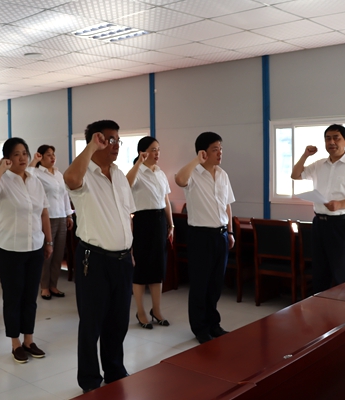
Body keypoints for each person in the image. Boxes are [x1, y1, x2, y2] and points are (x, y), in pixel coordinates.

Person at [63, 120, 135, 393]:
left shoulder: (119, 174)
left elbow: (126, 216)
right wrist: (92, 147)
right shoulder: (84, 174)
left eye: (118, 140)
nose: (115, 145)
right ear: (96, 141)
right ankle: (90, 380)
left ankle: (115, 370)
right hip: (94, 261)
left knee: (118, 321)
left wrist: (130, 251)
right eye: (109, 139)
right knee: (91, 324)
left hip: (122, 260)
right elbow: (70, 178)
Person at [0, 137, 52, 364]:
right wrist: (1, 169)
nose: (22, 158)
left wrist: (48, 241)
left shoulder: (35, 181)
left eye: (24, 153)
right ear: (8, 158)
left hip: (35, 246)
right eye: (16, 154)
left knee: (30, 297)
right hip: (10, 249)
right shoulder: (2, 180)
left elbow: (44, 212)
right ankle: (15, 343)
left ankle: (29, 340)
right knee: (13, 297)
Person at [290, 124, 345, 292]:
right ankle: (320, 307)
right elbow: (295, 175)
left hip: (342, 224)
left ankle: (343, 307)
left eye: (336, 138)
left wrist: (340, 204)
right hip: (319, 223)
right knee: (320, 272)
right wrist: (305, 155)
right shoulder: (319, 164)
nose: (331, 142)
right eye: (328, 139)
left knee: (342, 273)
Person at [175, 131, 235, 344]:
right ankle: (200, 328)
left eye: (221, 148)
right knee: (200, 284)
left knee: (215, 284)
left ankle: (213, 324)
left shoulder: (223, 175)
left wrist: (230, 232)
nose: (220, 153)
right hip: (200, 236)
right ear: (203, 152)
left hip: (220, 235)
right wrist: (196, 161)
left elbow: (227, 206)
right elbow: (179, 179)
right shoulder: (193, 173)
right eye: (215, 149)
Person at [125, 136, 173, 329]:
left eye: (158, 149)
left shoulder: (160, 173)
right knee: (141, 268)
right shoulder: (137, 172)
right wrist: (139, 163)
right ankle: (141, 312)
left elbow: (166, 200)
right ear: (142, 152)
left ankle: (157, 310)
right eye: (153, 149)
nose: (157, 153)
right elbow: (126, 184)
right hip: (142, 222)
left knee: (157, 268)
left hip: (159, 221)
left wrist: (171, 224)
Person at [28, 145, 73, 300]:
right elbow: (27, 175)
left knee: (59, 254)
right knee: (47, 253)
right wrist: (35, 161)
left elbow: (65, 195)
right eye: (48, 155)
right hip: (47, 217)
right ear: (41, 157)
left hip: (61, 217)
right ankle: (44, 287)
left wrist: (69, 215)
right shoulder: (37, 173)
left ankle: (53, 285)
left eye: (53, 154)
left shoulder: (58, 174)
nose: (52, 157)